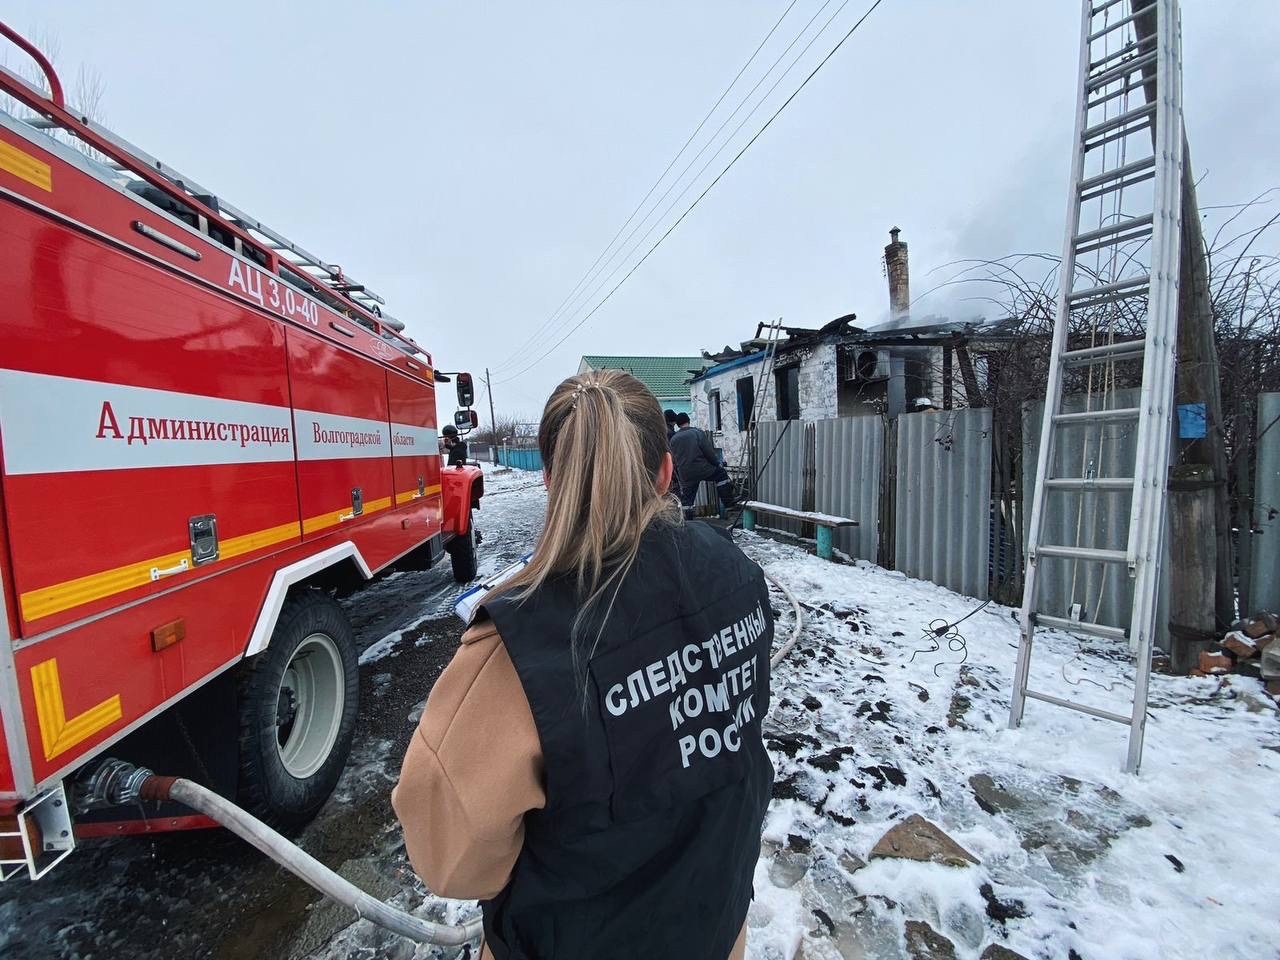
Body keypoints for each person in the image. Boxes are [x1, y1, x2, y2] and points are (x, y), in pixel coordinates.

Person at [393, 370, 774, 960]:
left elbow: (447, 855)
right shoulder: (737, 575)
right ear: (667, 473)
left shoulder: (516, 651)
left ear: (549, 481)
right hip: (716, 930)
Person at [669, 411, 741, 516]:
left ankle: (687, 523)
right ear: (688, 420)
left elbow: (673, 459)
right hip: (702, 469)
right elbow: (708, 452)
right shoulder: (697, 433)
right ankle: (728, 503)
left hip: (685, 473)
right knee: (721, 474)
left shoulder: (673, 439)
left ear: (678, 424)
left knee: (688, 499)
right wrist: (716, 463)